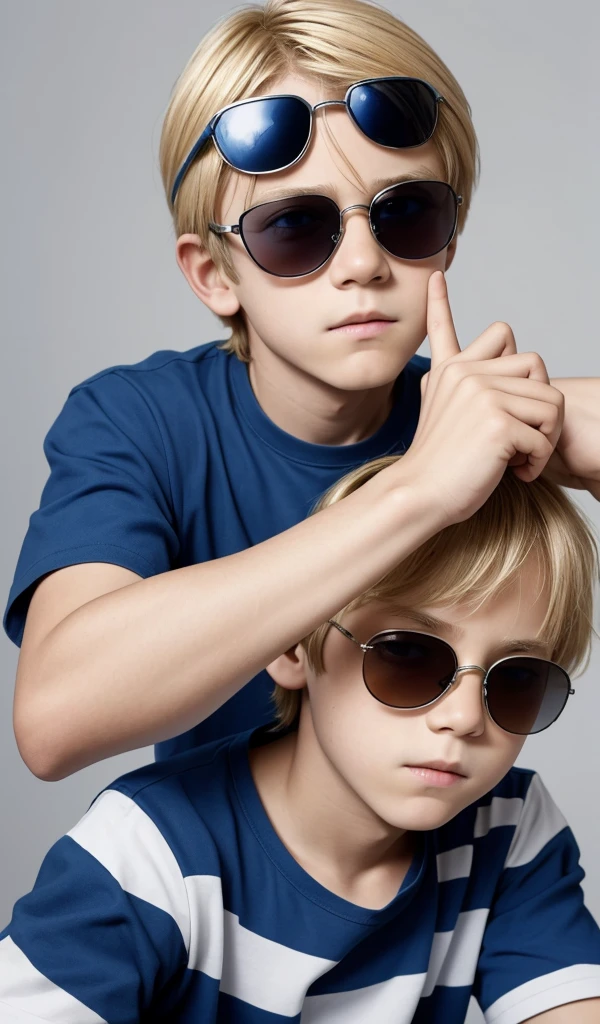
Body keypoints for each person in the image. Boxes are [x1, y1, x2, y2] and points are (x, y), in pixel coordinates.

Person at [5, 0, 600, 779]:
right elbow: (54, 722)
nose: (363, 263)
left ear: (448, 241)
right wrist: (416, 492)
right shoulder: (138, 421)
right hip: (211, 888)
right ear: (215, 274)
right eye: (294, 227)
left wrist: (556, 422)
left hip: (472, 884)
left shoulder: (484, 427)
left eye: (407, 214)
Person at [1, 460, 599, 1022]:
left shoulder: (507, 828)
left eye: (518, 679)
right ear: (289, 643)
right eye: (408, 656)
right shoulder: (150, 851)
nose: (466, 717)